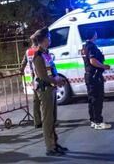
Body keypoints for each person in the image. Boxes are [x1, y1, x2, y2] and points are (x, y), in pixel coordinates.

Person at [32, 27, 68, 156]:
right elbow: (43, 76)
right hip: (45, 89)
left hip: (51, 88)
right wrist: (56, 81)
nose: (50, 39)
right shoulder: (38, 56)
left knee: (53, 119)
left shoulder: (46, 53)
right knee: (48, 119)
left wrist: (59, 79)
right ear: (42, 40)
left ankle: (55, 143)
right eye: (48, 37)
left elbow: (51, 70)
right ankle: (50, 148)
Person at [82, 29, 112, 130]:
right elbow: (93, 61)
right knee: (97, 99)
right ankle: (98, 122)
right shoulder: (91, 46)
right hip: (94, 76)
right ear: (94, 35)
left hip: (90, 75)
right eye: (96, 33)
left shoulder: (85, 46)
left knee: (92, 99)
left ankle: (93, 121)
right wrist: (103, 66)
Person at [19, 35, 41, 128]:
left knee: (36, 101)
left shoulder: (28, 52)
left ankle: (37, 122)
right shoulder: (39, 50)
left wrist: (20, 70)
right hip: (41, 77)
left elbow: (23, 63)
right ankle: (46, 120)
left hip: (33, 78)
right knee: (44, 101)